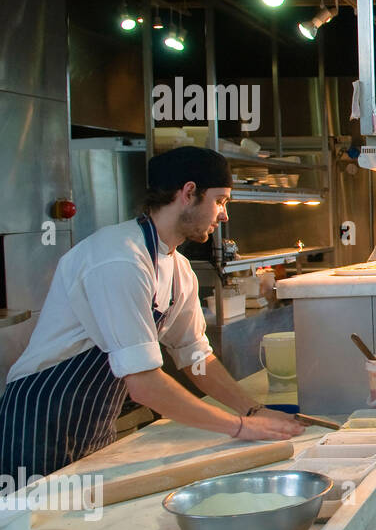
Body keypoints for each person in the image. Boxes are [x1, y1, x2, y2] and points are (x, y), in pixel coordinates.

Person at [0, 147, 304, 477]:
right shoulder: (120, 259)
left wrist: (254, 410)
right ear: (189, 193)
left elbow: (194, 357)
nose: (224, 215)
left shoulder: (178, 269)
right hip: (39, 420)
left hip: (95, 420)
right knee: (32, 523)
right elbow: (143, 384)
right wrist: (240, 426)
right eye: (220, 201)